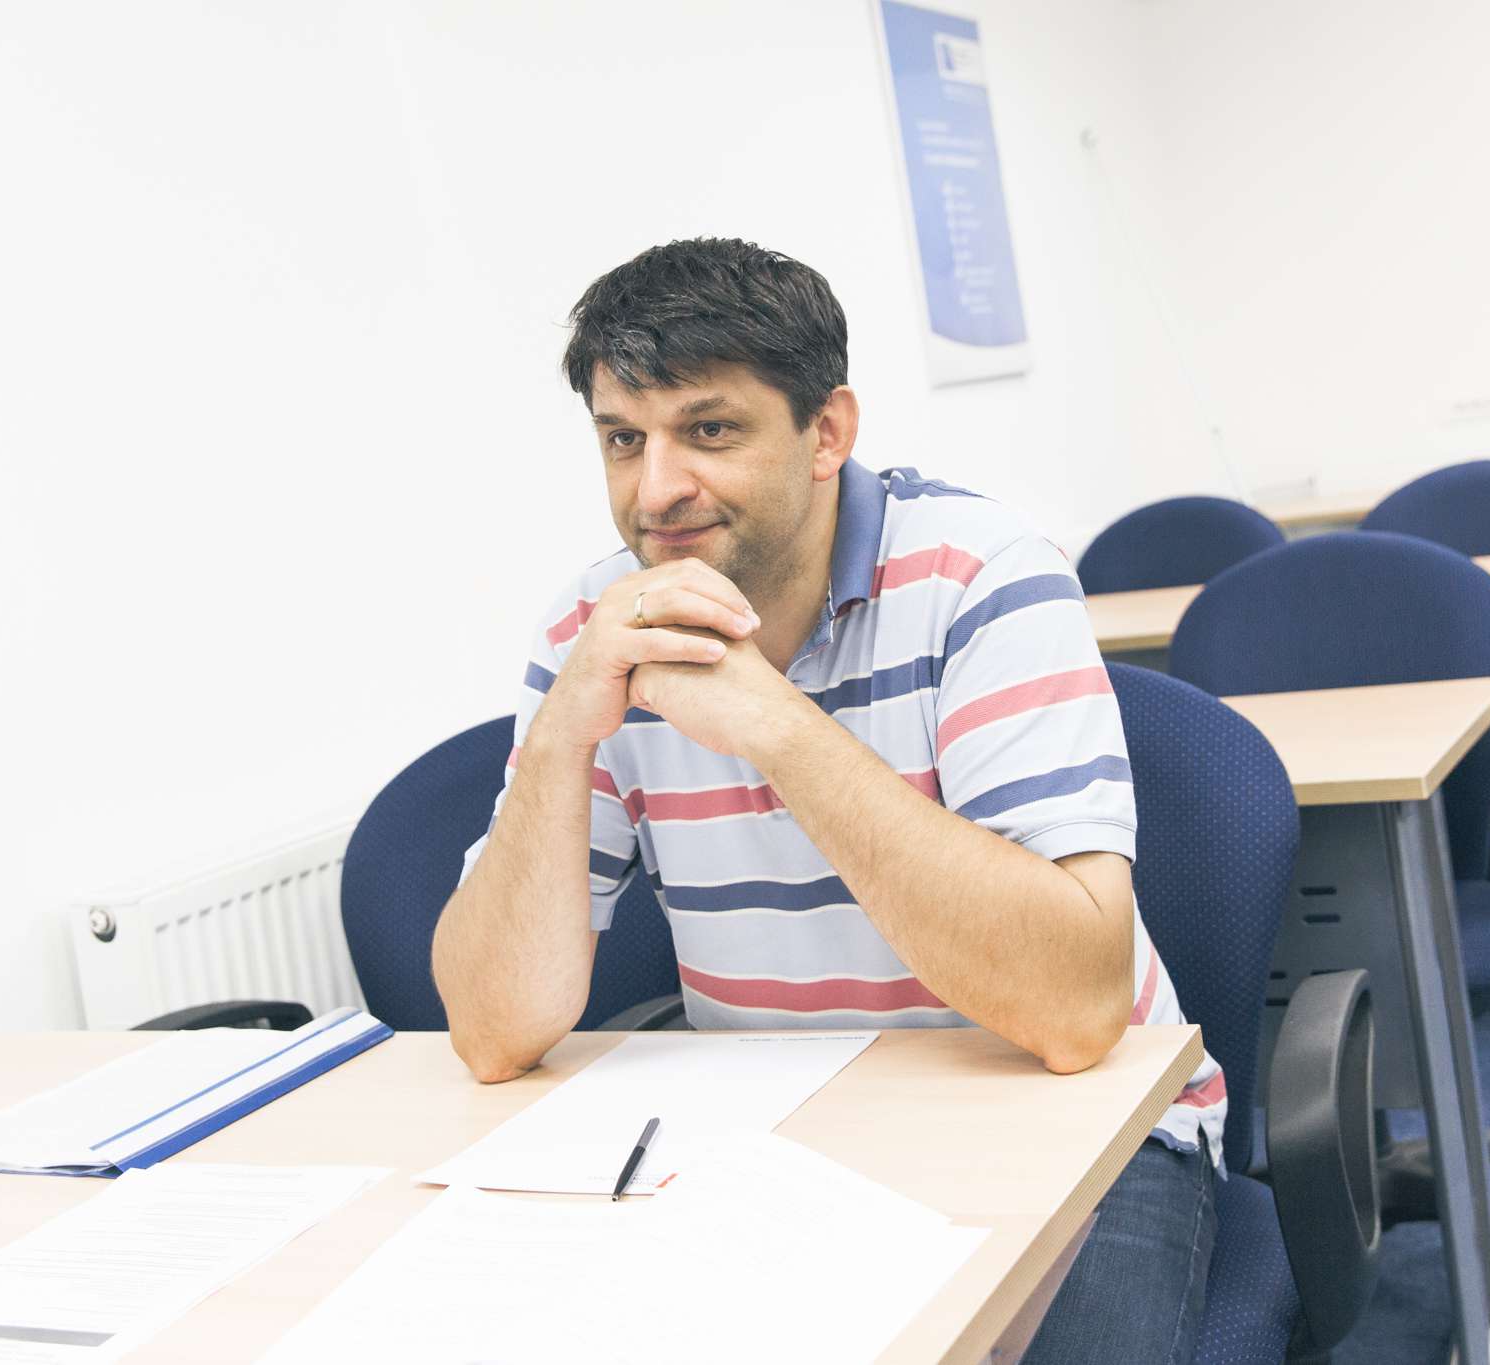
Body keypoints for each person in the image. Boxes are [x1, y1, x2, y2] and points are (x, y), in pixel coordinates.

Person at [430, 238, 1223, 1362]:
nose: (655, 490)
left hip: (1084, 1127)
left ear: (827, 432)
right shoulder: (593, 626)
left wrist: (779, 726)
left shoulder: (984, 577)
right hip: (770, 1143)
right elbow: (492, 1032)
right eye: (623, 440)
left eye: (709, 430)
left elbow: (1074, 1013)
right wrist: (562, 732)